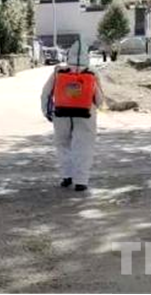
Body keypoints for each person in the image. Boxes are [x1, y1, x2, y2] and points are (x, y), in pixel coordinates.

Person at [41, 40, 104, 192]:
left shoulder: (59, 71)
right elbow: (99, 99)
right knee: (83, 146)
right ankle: (81, 181)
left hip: (61, 113)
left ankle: (66, 176)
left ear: (69, 55)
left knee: (63, 144)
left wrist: (47, 112)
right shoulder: (92, 72)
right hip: (85, 115)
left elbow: (46, 93)